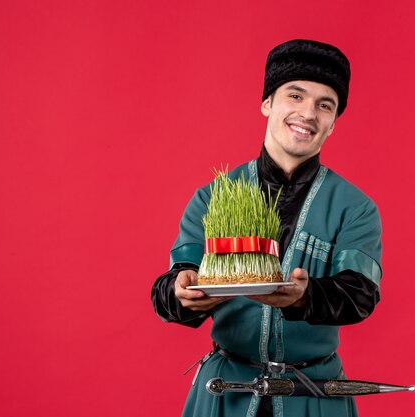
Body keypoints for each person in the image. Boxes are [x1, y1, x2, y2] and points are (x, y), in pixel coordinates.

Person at [152, 39, 382, 417]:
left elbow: (360, 295)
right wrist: (182, 295)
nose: (308, 113)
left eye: (325, 105)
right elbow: (170, 285)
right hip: (224, 394)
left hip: (313, 395)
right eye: (295, 95)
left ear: (333, 123)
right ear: (267, 104)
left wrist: (304, 297)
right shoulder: (212, 197)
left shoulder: (354, 207)